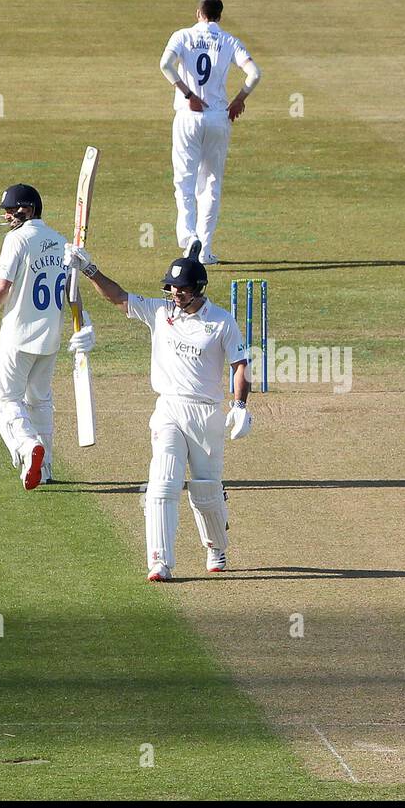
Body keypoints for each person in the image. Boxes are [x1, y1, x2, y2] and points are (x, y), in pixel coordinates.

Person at [67, 241, 252, 582]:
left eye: (182, 290)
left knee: (206, 491)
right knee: (162, 483)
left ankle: (216, 545)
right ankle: (160, 561)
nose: (175, 294)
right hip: (168, 408)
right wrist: (88, 269)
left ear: (199, 290)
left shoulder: (222, 322)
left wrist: (240, 405)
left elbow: (240, 364)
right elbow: (119, 297)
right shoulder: (159, 312)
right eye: (172, 288)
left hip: (206, 413)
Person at [0, 184, 94, 490]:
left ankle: (28, 448)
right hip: (50, 339)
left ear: (27, 209)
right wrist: (83, 325)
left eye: (11, 210)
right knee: (39, 401)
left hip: (18, 337)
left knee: (6, 401)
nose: (7, 217)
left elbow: (2, 286)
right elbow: (72, 291)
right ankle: (47, 466)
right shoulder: (60, 242)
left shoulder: (17, 240)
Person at [159, 0, 262, 266]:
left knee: (185, 181)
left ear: (198, 13)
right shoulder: (228, 41)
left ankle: (188, 237)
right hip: (218, 117)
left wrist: (187, 94)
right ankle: (204, 250)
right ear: (220, 16)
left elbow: (165, 65)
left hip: (188, 115)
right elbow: (255, 73)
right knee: (211, 184)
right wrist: (240, 99)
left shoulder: (182, 36)